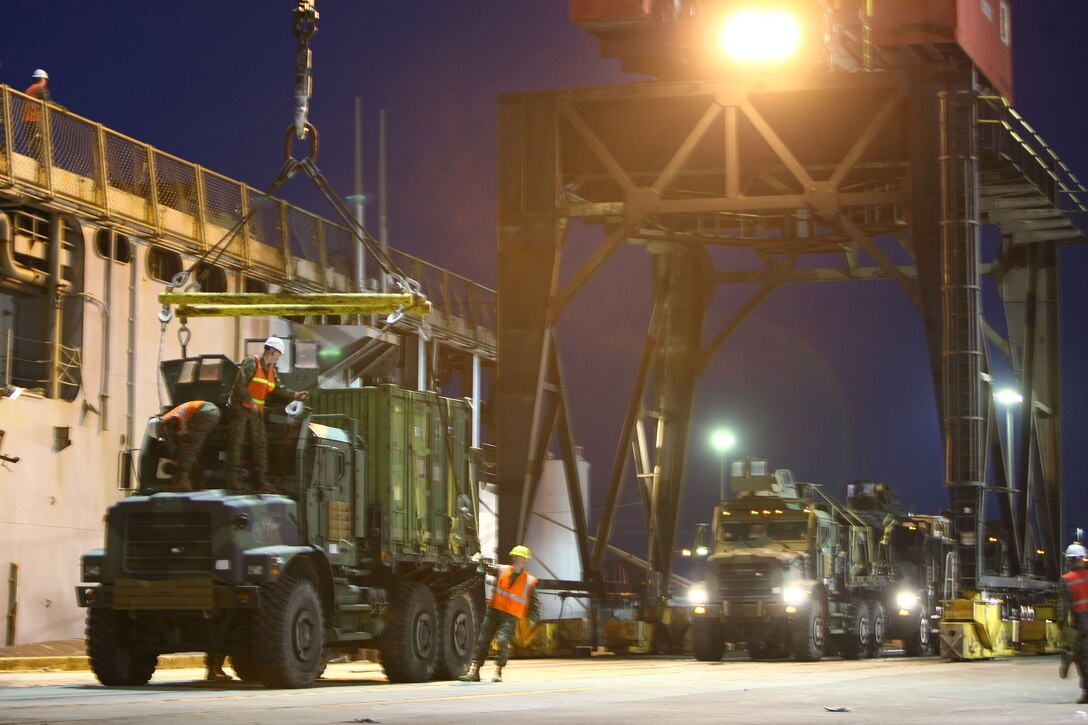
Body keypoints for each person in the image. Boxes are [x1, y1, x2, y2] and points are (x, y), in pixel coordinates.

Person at [224, 336, 308, 493]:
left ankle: (260, 479)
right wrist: (251, 402)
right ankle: (232, 479)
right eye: (279, 354)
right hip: (240, 409)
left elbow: (277, 389)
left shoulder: (271, 370)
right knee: (236, 442)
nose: (279, 357)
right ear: (271, 351)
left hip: (256, 412)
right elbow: (240, 386)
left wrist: (296, 395)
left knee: (260, 444)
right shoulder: (251, 362)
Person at [459, 545, 541, 683]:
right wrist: (481, 566)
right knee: (483, 640)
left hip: (510, 617)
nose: (514, 559)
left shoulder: (528, 581)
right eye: (513, 556)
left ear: (524, 560)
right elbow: (488, 567)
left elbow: (535, 603)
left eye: (518, 557)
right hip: (494, 611)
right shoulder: (502, 569)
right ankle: (474, 671)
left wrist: (532, 618)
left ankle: (498, 672)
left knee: (503, 641)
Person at [147, 400, 221, 491]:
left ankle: (182, 481)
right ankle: (197, 480)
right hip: (212, 412)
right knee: (197, 449)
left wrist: (178, 462)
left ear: (158, 427)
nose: (162, 436)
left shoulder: (165, 422)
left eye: (160, 435)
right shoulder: (171, 421)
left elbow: (174, 447)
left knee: (188, 446)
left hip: (204, 411)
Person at [1060, 542, 1088, 703]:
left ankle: (1068, 656)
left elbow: (1063, 608)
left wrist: (1062, 626)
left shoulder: (1066, 580)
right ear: (1083, 559)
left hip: (1080, 622)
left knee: (1082, 657)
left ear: (1068, 561)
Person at [22, 69, 50, 162]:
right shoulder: (39, 88)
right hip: (36, 118)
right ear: (42, 79)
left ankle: (34, 158)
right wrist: (60, 108)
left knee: (33, 140)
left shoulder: (28, 89)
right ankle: (41, 161)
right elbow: (47, 100)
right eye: (45, 80)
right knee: (40, 139)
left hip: (27, 118)